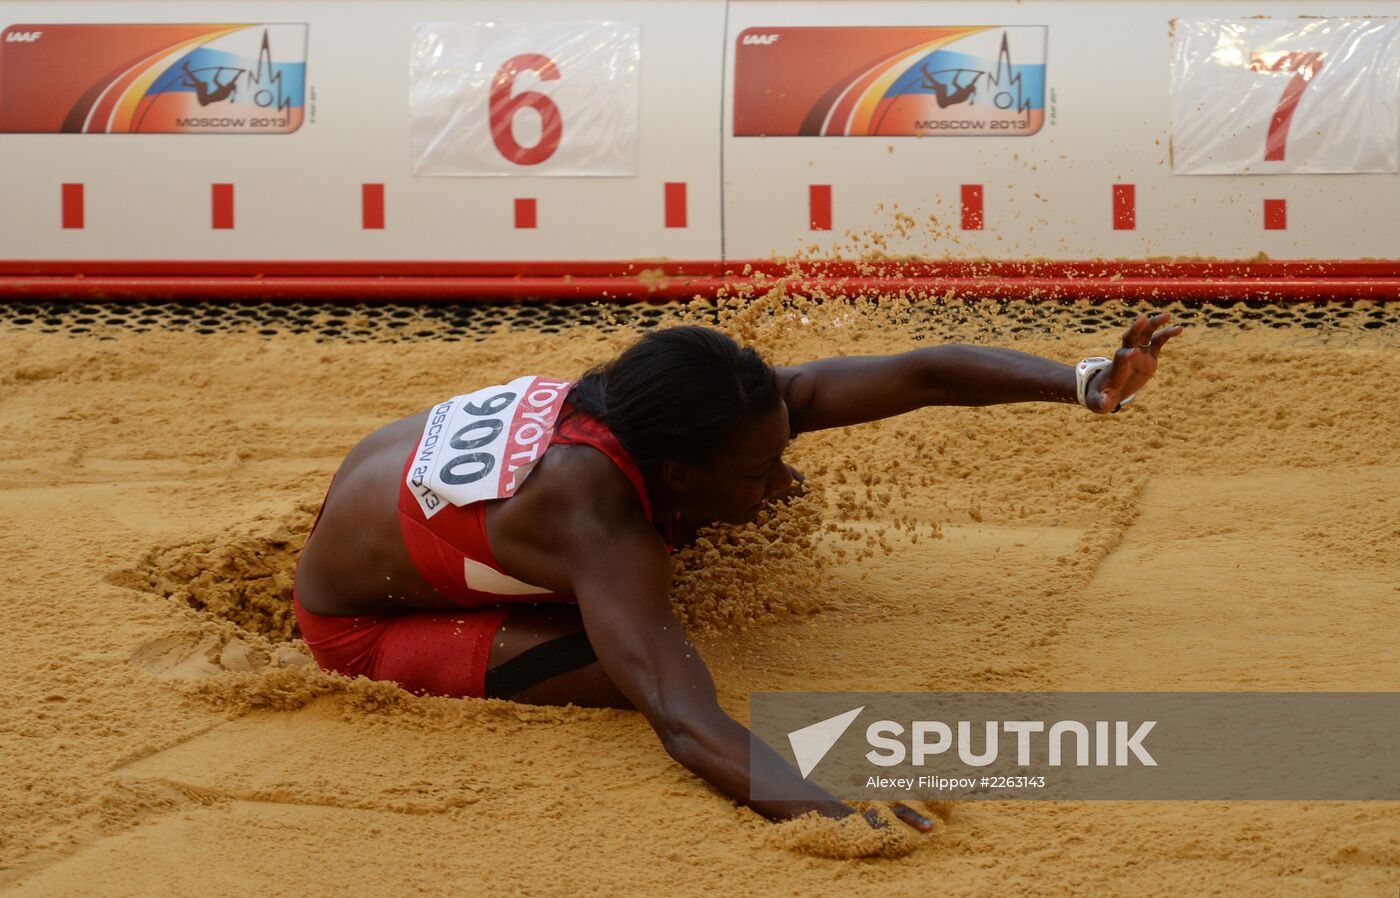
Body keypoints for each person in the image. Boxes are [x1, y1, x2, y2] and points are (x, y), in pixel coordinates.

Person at [294, 312, 1182, 832]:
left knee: (721, 542)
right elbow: (687, 725)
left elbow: (918, 376)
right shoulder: (605, 531)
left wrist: (1083, 381)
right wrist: (837, 815)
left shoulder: (703, 409)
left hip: (383, 495)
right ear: (674, 474)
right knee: (638, 665)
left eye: (777, 450)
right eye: (757, 469)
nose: (783, 482)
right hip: (363, 624)